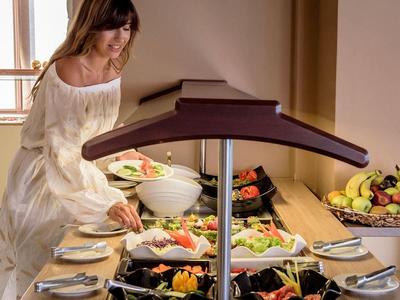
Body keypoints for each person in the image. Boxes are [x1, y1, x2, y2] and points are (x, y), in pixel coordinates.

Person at [0, 0, 147, 298]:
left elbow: (95, 135)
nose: (120, 37)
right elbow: (61, 153)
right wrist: (105, 202)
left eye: (127, 27)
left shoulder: (113, 70)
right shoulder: (67, 70)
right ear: (92, 26)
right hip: (41, 182)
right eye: (111, 26)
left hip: (75, 177)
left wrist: (122, 152)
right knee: (40, 270)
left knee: (74, 271)